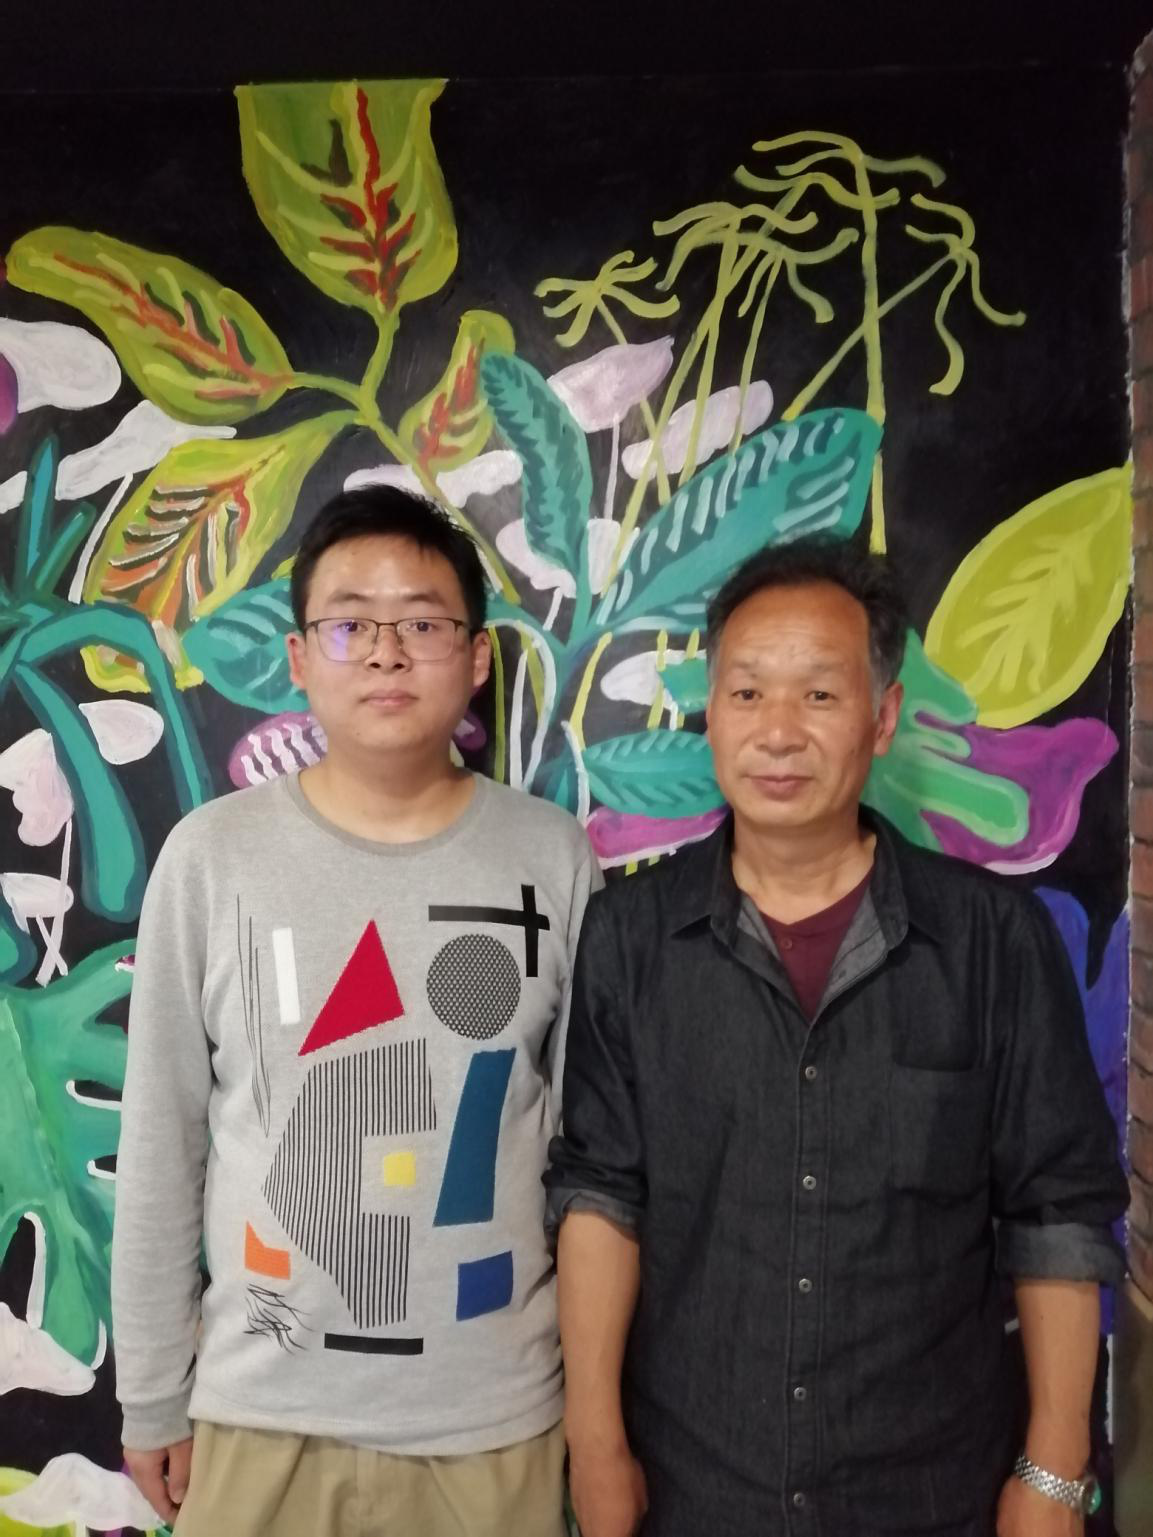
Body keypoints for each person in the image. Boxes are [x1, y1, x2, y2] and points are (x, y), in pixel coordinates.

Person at [545, 536, 1128, 1537]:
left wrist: (1053, 1471)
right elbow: (602, 1194)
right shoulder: (630, 936)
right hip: (696, 1490)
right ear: (710, 711)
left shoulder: (991, 941)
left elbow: (1058, 1214)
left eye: (819, 694)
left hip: (930, 1494)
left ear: (882, 716)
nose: (778, 731)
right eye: (746, 693)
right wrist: (595, 1443)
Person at [112, 486, 599, 1537]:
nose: (385, 652)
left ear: (476, 658)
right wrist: (150, 1392)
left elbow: (588, 1153)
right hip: (259, 1419)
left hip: (493, 1426)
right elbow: (161, 1141)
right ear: (297, 658)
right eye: (349, 624)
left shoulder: (551, 858)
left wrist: (598, 1423)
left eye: (423, 623)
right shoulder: (212, 857)